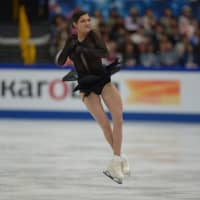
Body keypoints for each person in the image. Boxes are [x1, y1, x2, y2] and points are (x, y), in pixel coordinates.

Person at [56, 10, 130, 184]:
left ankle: (116, 160)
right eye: (83, 21)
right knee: (105, 124)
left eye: (88, 20)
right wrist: (71, 46)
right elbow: (60, 62)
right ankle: (120, 158)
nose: (87, 23)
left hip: (103, 80)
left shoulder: (94, 35)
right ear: (75, 24)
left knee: (118, 118)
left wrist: (82, 48)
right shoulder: (71, 40)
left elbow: (103, 53)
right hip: (86, 86)